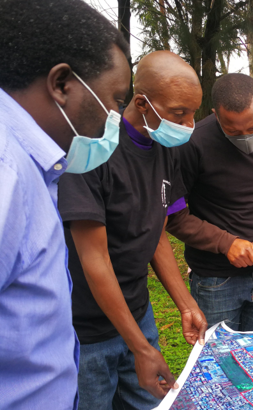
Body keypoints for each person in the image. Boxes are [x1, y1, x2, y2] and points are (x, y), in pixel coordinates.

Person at [58, 51, 207, 410]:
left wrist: (185, 303)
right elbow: (94, 256)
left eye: (193, 113)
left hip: (139, 313)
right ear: (142, 102)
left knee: (153, 403)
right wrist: (140, 347)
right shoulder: (92, 151)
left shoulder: (164, 147)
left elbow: (155, 231)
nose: (189, 124)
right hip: (87, 332)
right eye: (178, 113)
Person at [0, 0, 131, 409]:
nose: (116, 119)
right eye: (115, 100)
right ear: (61, 84)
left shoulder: (36, 168)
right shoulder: (7, 174)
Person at [167, 73, 253, 331]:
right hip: (215, 281)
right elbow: (174, 216)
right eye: (233, 130)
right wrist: (226, 243)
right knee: (220, 365)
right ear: (216, 114)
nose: (245, 137)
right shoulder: (193, 143)